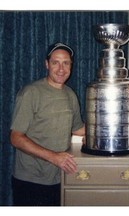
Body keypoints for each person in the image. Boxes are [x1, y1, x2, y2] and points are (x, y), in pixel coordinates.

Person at [10, 42, 85, 206]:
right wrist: (54, 157)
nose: (61, 69)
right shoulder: (31, 92)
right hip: (30, 181)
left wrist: (109, 129)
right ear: (46, 64)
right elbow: (16, 138)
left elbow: (78, 129)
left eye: (66, 63)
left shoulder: (70, 94)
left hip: (59, 178)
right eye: (55, 62)